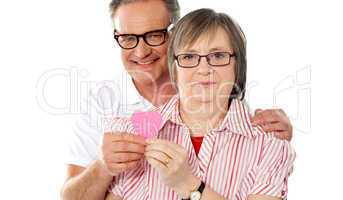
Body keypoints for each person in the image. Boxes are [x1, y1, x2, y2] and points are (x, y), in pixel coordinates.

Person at [61, 1, 293, 200]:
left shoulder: (259, 136)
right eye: (128, 38)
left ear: (173, 35)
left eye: (154, 35)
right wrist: (103, 166)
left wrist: (189, 185)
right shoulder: (114, 114)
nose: (141, 52)